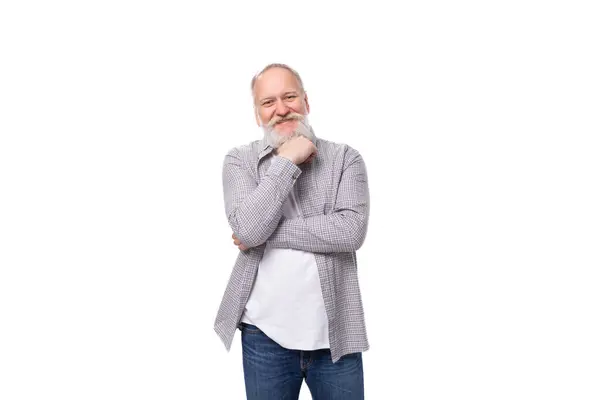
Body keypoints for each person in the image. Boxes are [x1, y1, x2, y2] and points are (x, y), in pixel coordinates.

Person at [214, 63, 370, 399]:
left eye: (289, 97)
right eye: (268, 102)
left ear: (306, 102)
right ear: (257, 114)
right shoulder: (239, 161)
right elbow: (246, 227)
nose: (281, 110)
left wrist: (264, 234)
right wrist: (287, 162)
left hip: (335, 338)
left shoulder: (345, 158)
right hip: (263, 336)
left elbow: (350, 231)